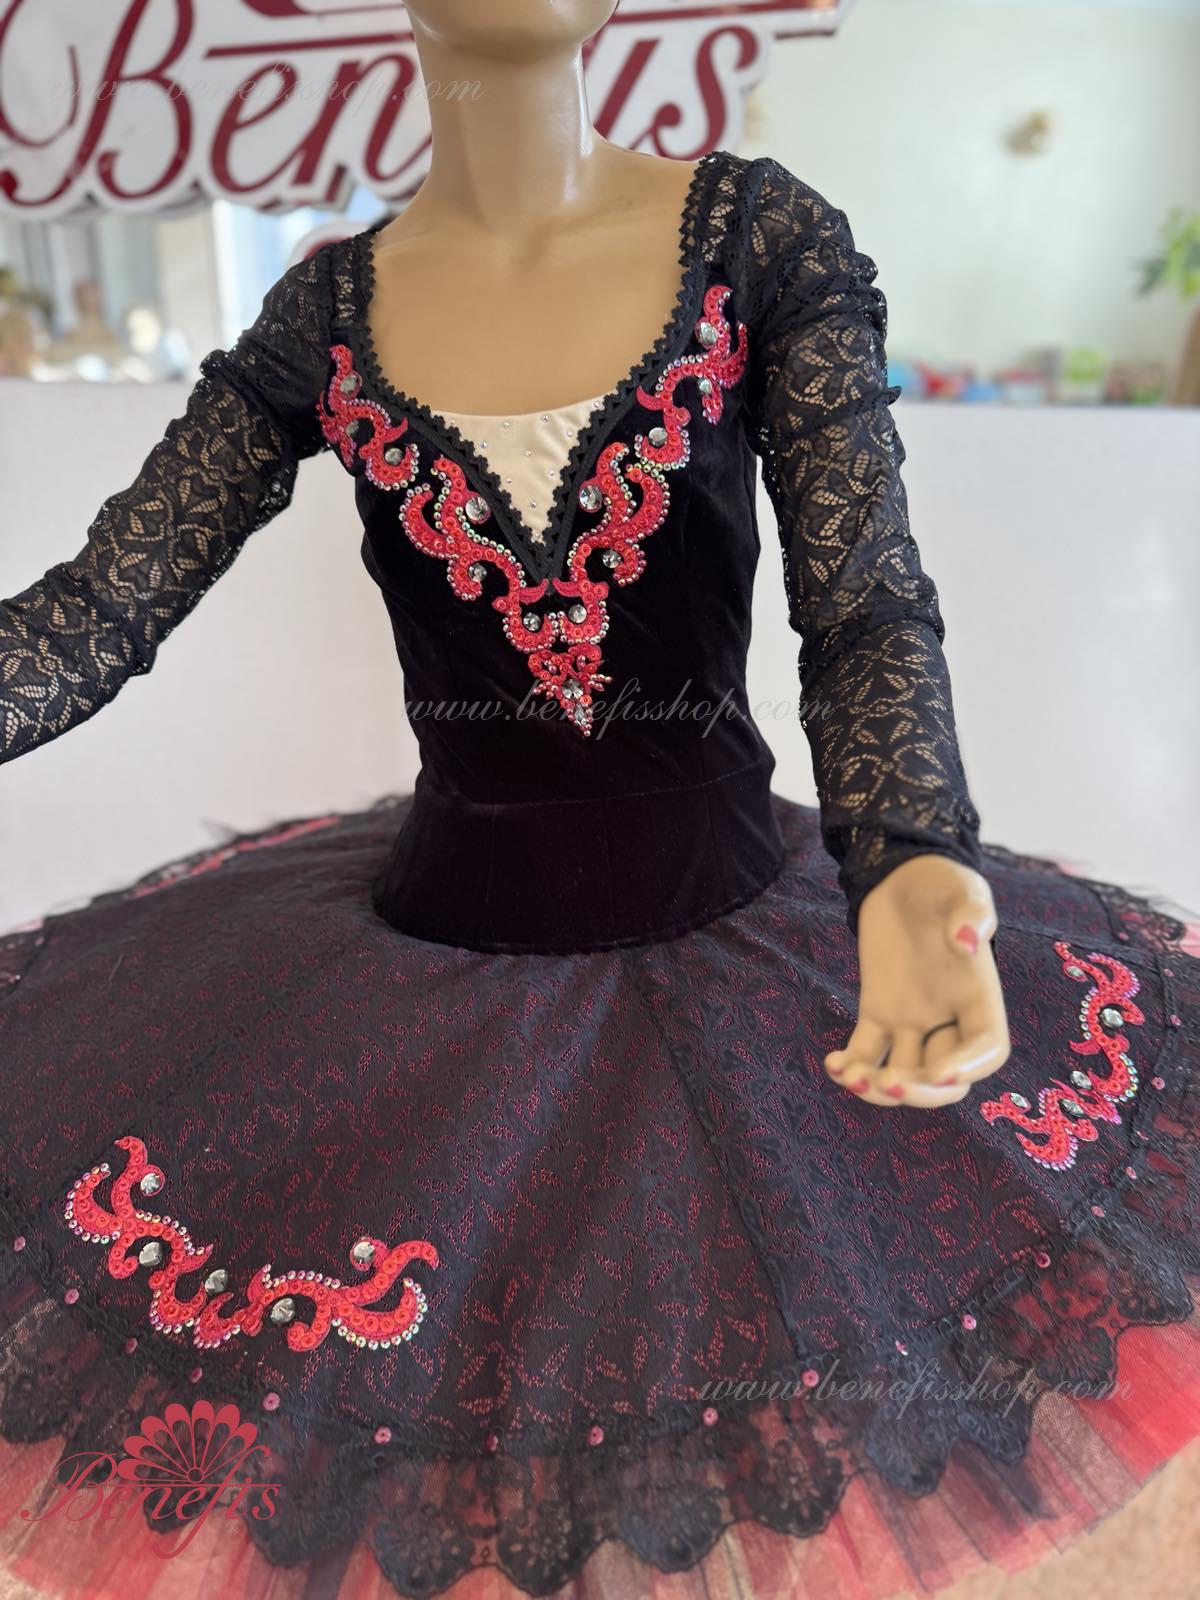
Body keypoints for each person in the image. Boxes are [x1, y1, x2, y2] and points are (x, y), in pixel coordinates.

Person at [0, 4, 1197, 1597]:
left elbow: (861, 598)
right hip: (426, 982)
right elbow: (102, 605)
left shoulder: (757, 237)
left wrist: (910, 855)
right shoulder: (326, 314)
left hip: (744, 945)